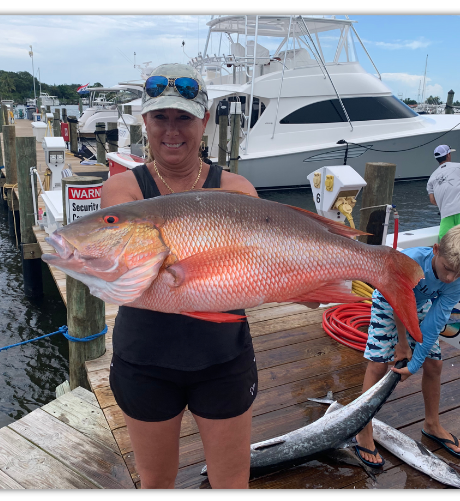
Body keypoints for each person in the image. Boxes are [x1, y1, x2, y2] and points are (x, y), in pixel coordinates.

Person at [100, 63, 258, 489]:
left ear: (203, 122)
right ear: (145, 122)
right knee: (155, 482)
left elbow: (259, 266)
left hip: (223, 357)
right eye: (160, 117)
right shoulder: (122, 192)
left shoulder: (239, 189)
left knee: (231, 481)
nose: (172, 130)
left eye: (184, 117)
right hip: (144, 360)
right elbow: (124, 274)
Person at [353, 225, 460, 467]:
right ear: (436, 250)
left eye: (458, 274)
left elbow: (433, 325)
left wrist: (414, 364)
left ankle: (432, 424)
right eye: (447, 269)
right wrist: (403, 343)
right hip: (389, 301)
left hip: (419, 305)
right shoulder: (410, 261)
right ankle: (363, 428)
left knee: (435, 363)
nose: (450, 278)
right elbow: (397, 301)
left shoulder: (456, 285)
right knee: (378, 364)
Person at [427, 145, 460, 241]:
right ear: (448, 155)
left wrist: (445, 203)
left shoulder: (431, 178)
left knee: (445, 245)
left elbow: (432, 200)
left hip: (446, 214)